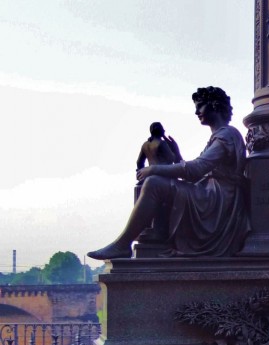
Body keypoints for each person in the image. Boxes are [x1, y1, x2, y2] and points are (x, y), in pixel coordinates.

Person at [88, 87, 248, 260]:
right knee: (156, 183)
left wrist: (154, 169)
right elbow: (196, 172)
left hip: (216, 200)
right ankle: (130, 242)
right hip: (210, 195)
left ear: (215, 106)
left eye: (200, 106)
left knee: (154, 183)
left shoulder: (226, 134)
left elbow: (196, 170)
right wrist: (178, 156)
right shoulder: (222, 135)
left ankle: (123, 245)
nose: (196, 112)